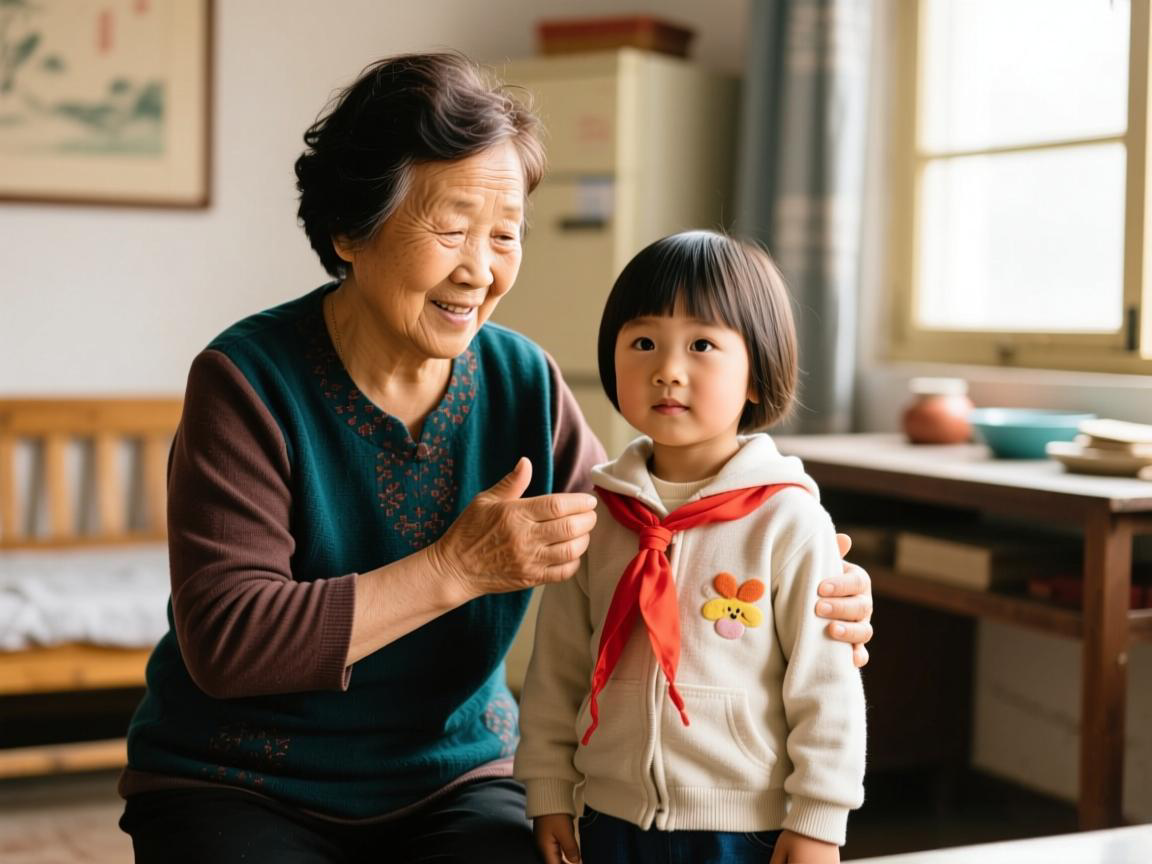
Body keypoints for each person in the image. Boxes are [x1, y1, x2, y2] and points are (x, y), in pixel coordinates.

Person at [116, 53, 873, 864]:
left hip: (455, 777)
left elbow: (646, 538)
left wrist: (802, 588)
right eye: (449, 229)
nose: (480, 270)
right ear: (349, 230)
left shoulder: (524, 382)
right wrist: (454, 568)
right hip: (238, 779)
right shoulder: (246, 382)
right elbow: (230, 642)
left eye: (504, 235)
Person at [515, 231, 867, 864]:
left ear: (757, 375)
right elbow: (556, 670)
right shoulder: (599, 514)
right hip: (606, 814)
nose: (667, 369)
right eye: (643, 342)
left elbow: (826, 688)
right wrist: (549, 788)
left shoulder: (788, 520)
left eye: (702, 345)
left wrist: (819, 817)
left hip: (743, 824)